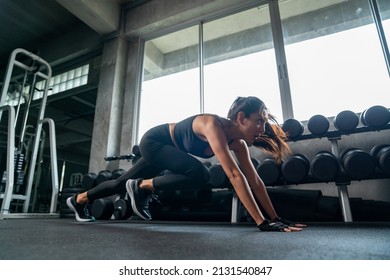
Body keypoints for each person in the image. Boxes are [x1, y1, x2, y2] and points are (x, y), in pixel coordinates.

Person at [67, 96, 305, 232]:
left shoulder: (238, 144)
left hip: (167, 152)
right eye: (259, 121)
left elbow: (254, 181)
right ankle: (141, 187)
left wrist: (275, 218)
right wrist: (262, 223)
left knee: (120, 184)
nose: (262, 128)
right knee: (199, 174)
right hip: (154, 141)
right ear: (241, 118)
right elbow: (234, 176)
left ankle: (78, 200)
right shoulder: (213, 126)